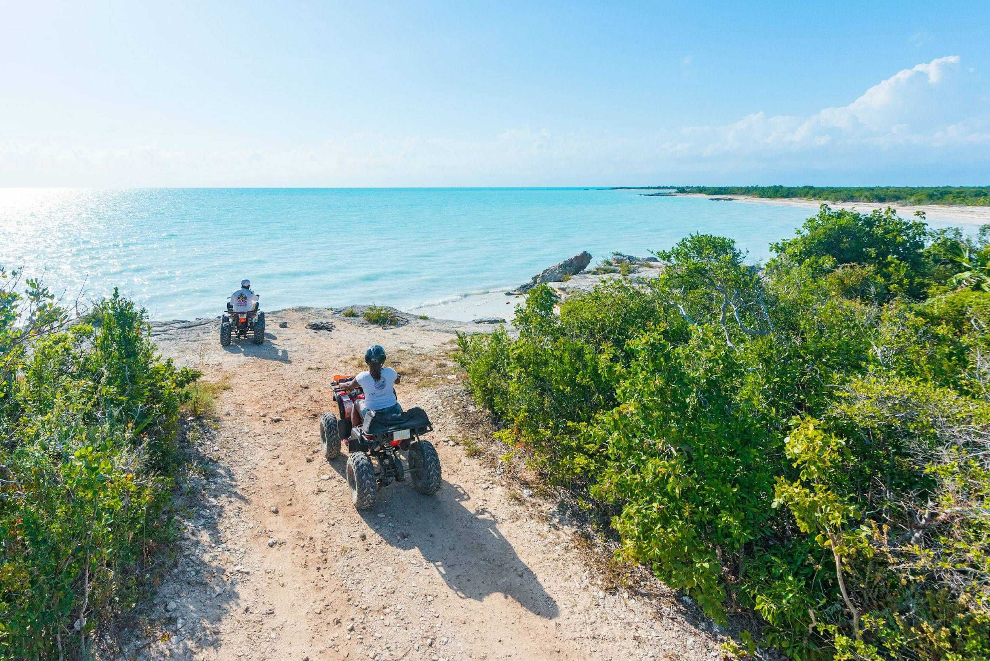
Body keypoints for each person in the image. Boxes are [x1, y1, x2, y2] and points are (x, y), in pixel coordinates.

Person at [337, 345, 402, 432]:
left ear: (366, 360)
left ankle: (355, 432)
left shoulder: (362, 377)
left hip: (373, 413)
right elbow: (397, 381)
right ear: (383, 359)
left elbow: (349, 386)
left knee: (356, 403)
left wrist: (341, 384)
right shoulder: (390, 371)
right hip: (394, 409)